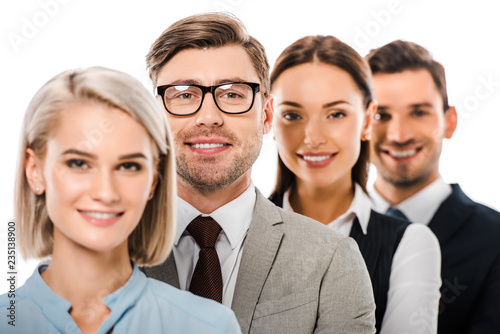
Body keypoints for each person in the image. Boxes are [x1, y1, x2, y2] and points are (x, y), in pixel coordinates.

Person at [142, 13, 376, 334]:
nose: (209, 117)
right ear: (153, 116)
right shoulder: (105, 248)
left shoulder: (331, 260)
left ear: (267, 116)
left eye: (232, 94)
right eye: (185, 95)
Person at [0, 66, 241, 334]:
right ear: (34, 170)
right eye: (79, 163)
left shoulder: (208, 327)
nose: (106, 192)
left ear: (153, 179)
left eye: (128, 166)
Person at [268, 35, 441, 333]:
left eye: (335, 114)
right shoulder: (234, 232)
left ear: (367, 121)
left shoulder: (409, 245)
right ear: (269, 117)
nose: (312, 137)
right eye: (293, 115)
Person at [366, 40, 500, 334]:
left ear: (449, 122)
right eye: (381, 115)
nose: (399, 135)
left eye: (418, 112)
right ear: (360, 125)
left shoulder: (495, 238)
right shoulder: (320, 226)